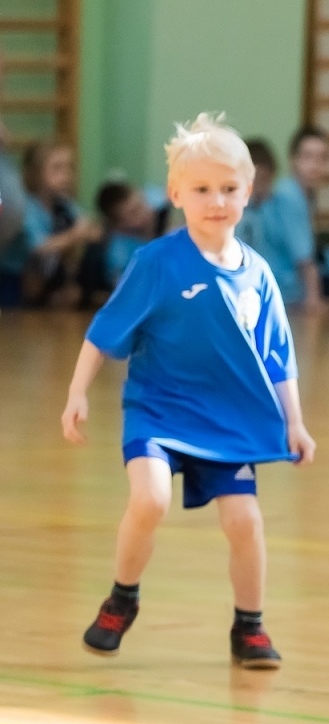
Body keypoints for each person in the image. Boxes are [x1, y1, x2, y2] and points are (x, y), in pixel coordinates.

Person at [60, 113, 315, 670]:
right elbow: (104, 329)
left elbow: (279, 357)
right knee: (150, 499)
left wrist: (294, 421)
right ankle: (121, 599)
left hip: (229, 419)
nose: (216, 200)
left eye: (229, 189)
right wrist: (78, 392)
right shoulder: (155, 263)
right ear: (176, 193)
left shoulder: (259, 275)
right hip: (160, 409)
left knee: (245, 521)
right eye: (201, 189)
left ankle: (249, 628)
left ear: (248, 192)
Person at [2, 139, 100, 307]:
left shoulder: (63, 203)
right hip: (11, 280)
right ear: (35, 172)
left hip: (43, 278)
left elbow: (90, 227)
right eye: (57, 168)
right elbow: (38, 247)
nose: (66, 175)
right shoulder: (25, 205)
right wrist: (74, 235)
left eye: (70, 167)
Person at [239, 138, 323, 309]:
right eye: (251, 179)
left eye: (262, 178)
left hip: (285, 292)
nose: (256, 186)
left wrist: (313, 299)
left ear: (272, 175)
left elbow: (304, 257)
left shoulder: (283, 203)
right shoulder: (238, 210)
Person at [285, 125, 329, 300]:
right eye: (308, 157)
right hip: (285, 288)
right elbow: (304, 260)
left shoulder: (302, 195)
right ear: (293, 160)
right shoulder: (290, 197)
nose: (315, 165)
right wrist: (314, 301)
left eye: (323, 158)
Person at [95, 180, 173, 286]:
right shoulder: (120, 258)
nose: (146, 211)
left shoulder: (155, 197)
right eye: (134, 212)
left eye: (141, 203)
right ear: (118, 226)